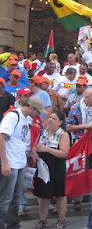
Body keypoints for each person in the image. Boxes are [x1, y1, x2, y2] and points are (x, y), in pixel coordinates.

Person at [0, 96, 44, 229]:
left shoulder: (27, 119)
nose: (38, 115)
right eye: (38, 112)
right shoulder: (13, 116)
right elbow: (1, 138)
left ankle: (13, 224)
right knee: (5, 198)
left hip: (19, 161)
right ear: (31, 108)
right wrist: (5, 163)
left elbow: (22, 141)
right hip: (10, 162)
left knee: (16, 197)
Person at [32, 111, 70, 229]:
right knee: (43, 195)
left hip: (56, 166)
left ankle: (61, 220)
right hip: (43, 166)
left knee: (59, 194)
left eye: (54, 118)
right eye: (49, 118)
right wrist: (35, 154)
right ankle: (43, 220)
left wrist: (47, 149)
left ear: (60, 122)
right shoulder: (43, 131)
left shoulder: (63, 134)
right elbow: (34, 146)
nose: (50, 120)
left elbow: (64, 153)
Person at [65, 88, 92, 211]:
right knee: (80, 169)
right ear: (87, 98)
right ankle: (77, 199)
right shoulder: (76, 108)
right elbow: (69, 126)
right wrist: (86, 126)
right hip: (80, 141)